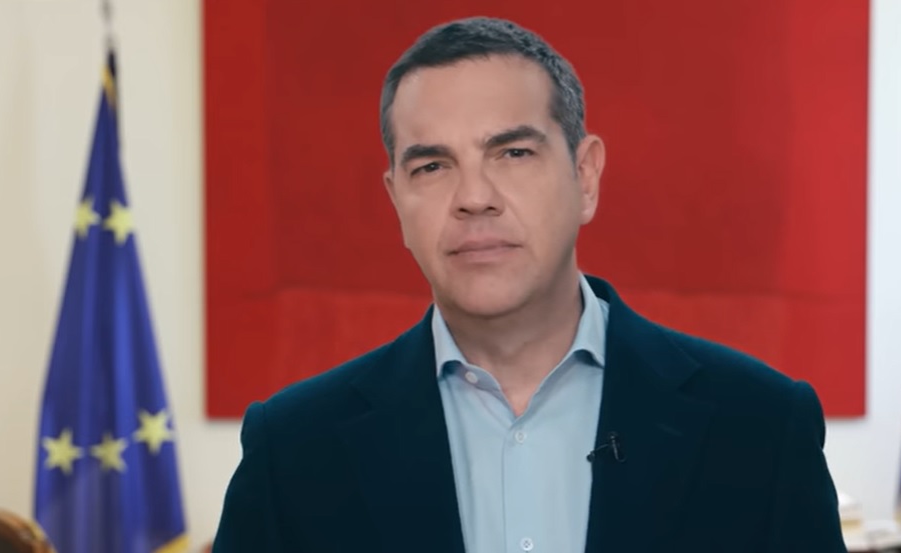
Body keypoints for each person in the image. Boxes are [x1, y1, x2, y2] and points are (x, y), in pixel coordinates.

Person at [213, 16, 847, 553]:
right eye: (431, 166)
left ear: (585, 177)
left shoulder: (762, 427)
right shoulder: (291, 450)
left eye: (513, 153)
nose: (474, 197)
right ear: (396, 200)